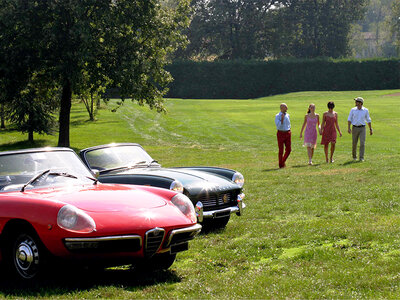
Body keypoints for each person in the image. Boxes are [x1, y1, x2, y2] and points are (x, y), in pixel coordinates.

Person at [347, 97, 373, 161]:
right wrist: (349, 128)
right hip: (355, 128)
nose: (355, 103)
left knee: (362, 143)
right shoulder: (353, 110)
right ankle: (354, 157)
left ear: (360, 103)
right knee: (354, 143)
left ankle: (361, 157)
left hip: (362, 128)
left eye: (356, 101)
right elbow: (349, 119)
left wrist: (370, 129)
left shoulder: (365, 110)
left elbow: (368, 120)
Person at [275, 103, 291, 168]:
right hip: (280, 133)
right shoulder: (277, 116)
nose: (287, 108)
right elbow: (278, 125)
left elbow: (288, 124)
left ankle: (282, 161)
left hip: (287, 132)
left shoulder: (288, 115)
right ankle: (280, 165)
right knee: (281, 150)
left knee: (289, 149)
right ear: (281, 108)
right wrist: (281, 120)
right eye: (285, 107)